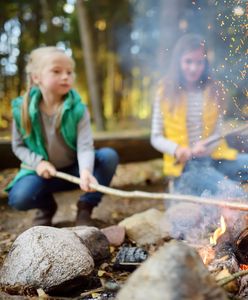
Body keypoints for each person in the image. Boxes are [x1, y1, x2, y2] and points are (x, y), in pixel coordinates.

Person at [7, 46, 119, 226]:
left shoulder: (78, 109)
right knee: (19, 198)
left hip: (74, 170)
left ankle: (86, 207)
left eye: (69, 72)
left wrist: (86, 171)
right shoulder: (21, 110)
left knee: (108, 156)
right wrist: (38, 163)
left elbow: (85, 146)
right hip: (42, 173)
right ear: (37, 77)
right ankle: (47, 207)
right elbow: (18, 146)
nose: (66, 76)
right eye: (56, 71)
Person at [151, 34, 248, 200]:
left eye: (199, 62)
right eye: (188, 61)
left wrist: (208, 146)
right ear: (178, 62)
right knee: (233, 193)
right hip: (186, 167)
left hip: (217, 158)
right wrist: (178, 149)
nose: (194, 68)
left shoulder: (214, 90)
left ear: (205, 63)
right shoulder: (165, 91)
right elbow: (156, 137)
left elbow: (218, 133)